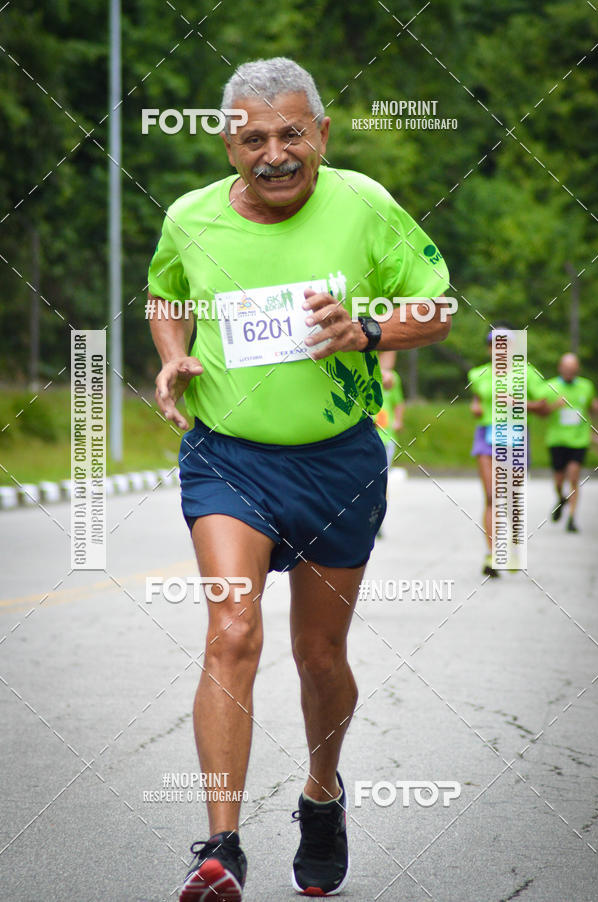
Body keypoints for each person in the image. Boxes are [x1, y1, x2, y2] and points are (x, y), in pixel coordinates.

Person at [147, 57, 450, 901]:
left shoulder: (363, 204)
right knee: (231, 630)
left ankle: (322, 796)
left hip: (338, 462)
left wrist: (369, 329)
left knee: (319, 656)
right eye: (252, 138)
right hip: (228, 455)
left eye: (290, 134)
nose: (273, 153)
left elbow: (439, 306)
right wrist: (174, 359)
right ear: (226, 142)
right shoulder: (190, 217)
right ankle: (219, 848)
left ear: (320, 132)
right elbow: (163, 294)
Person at [468, 324, 546, 577]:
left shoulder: (528, 373)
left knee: (511, 497)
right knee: (491, 495)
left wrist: (519, 403)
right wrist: (476, 406)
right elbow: (478, 399)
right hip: (487, 437)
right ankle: (492, 555)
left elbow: (544, 406)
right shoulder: (477, 373)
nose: (498, 349)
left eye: (504, 344)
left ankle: (513, 542)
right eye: (493, 344)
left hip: (516, 436)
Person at [542, 353, 598, 532]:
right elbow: (541, 412)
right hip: (557, 439)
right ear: (560, 368)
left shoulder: (586, 386)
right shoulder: (549, 386)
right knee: (559, 481)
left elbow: (593, 408)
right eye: (566, 369)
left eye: (573, 370)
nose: (569, 372)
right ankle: (561, 498)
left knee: (574, 477)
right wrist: (553, 407)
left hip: (578, 439)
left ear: (578, 370)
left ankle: (572, 519)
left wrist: (595, 431)